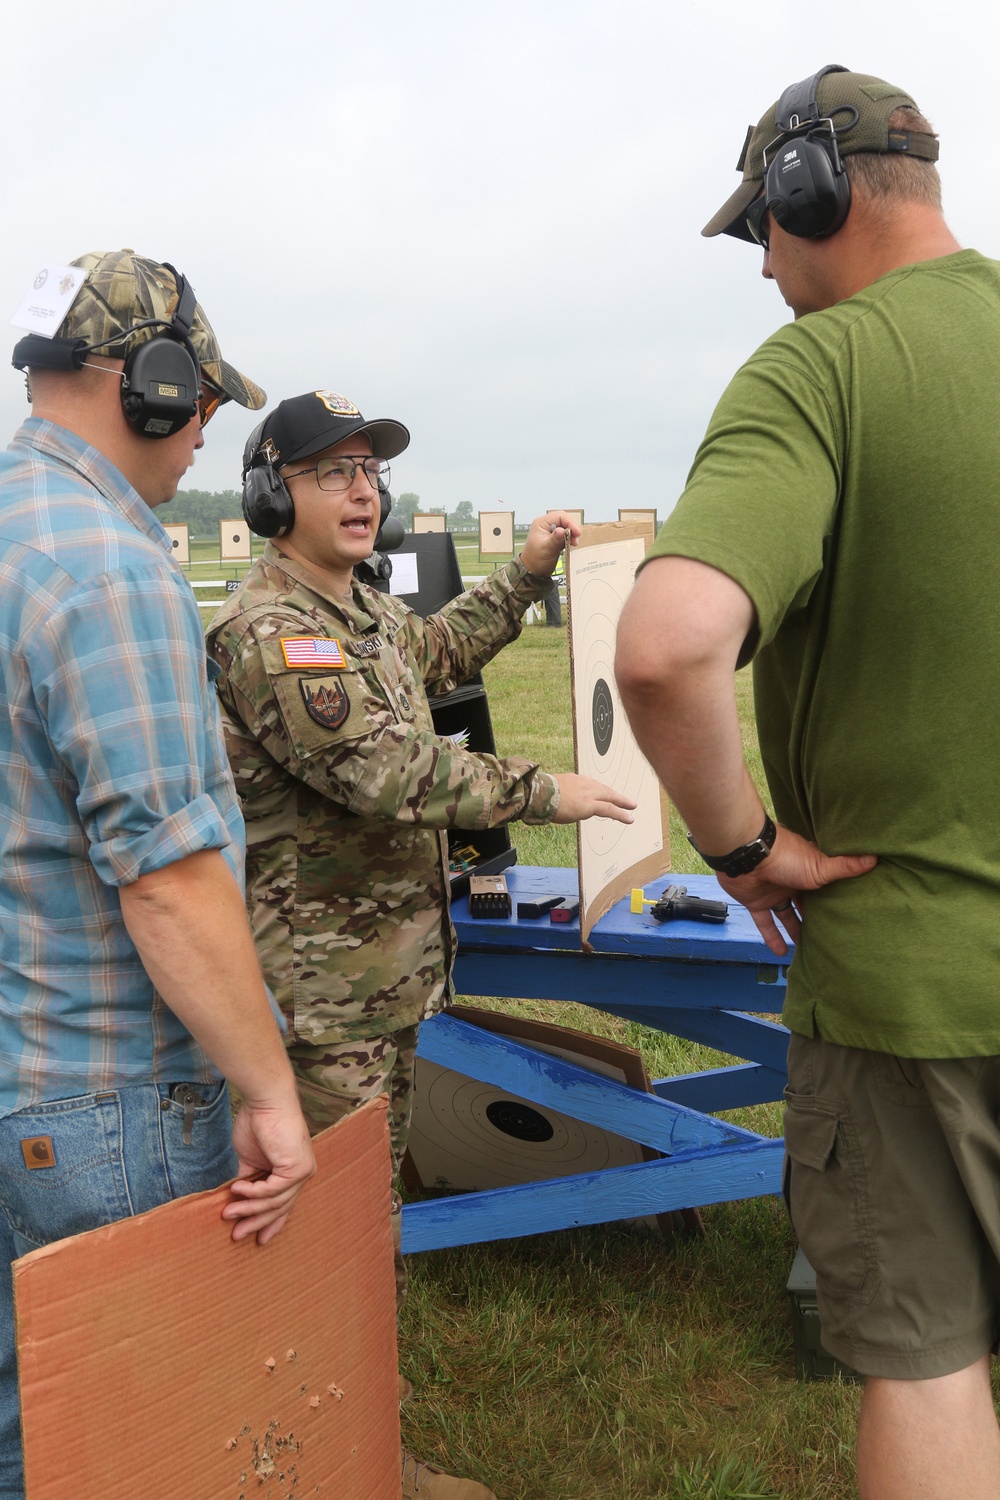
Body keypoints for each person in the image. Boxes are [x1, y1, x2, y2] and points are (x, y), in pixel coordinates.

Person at [615, 66, 1000, 1499]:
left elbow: (666, 652)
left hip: (913, 994)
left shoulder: (824, 366)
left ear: (808, 194)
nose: (767, 269)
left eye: (761, 234)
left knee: (929, 1362)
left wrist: (741, 844)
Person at [207, 388, 635, 1500]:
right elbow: (388, 773)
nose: (362, 490)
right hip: (322, 1009)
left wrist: (531, 568)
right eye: (331, 471)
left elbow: (439, 648)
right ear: (270, 495)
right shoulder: (271, 632)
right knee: (326, 1252)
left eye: (370, 470)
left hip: (384, 989)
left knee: (360, 1234)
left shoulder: (356, 610)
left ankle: (347, 1455)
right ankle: (324, 1464)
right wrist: (549, 789)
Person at [0, 251, 315, 1500]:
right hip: (114, 1100)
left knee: (34, 1432)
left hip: (21, 1072)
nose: (202, 438)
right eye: (197, 405)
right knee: (148, 1445)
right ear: (145, 383)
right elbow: (170, 882)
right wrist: (268, 1090)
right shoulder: (109, 570)